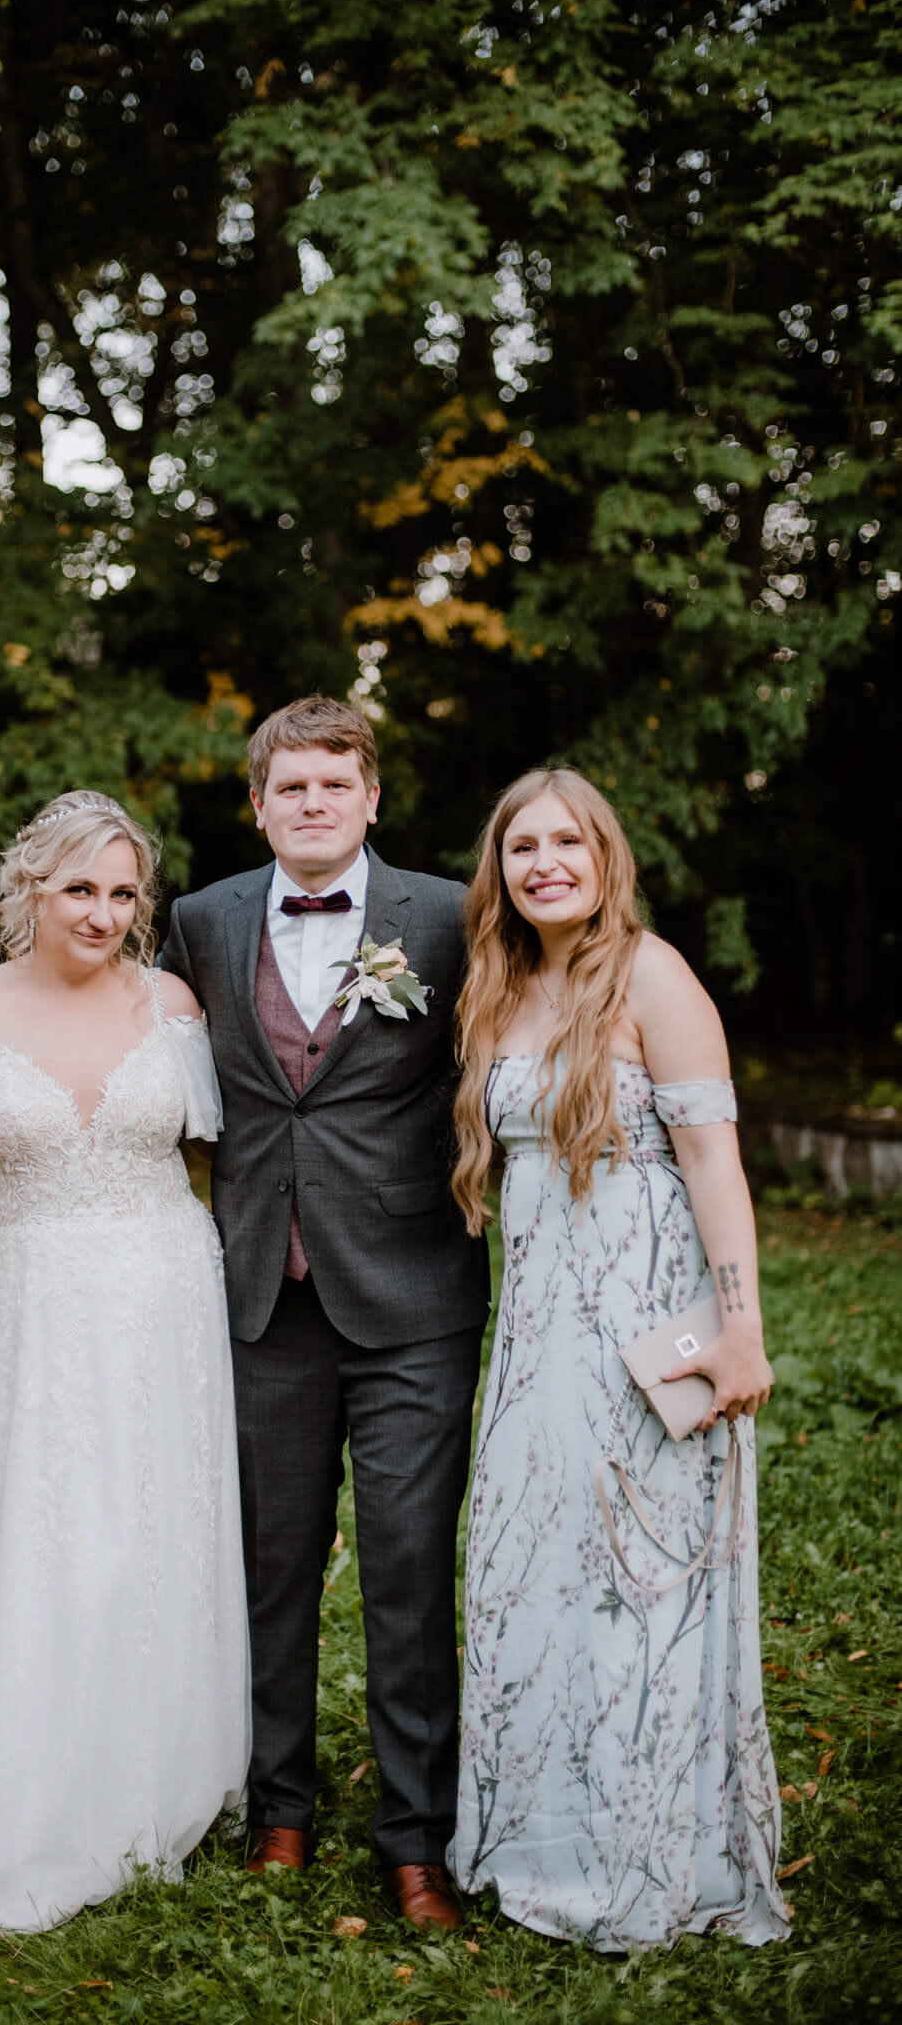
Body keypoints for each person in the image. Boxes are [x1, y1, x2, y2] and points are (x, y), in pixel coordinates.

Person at [0, 791, 248, 1931]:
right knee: (21, 1530)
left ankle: (151, 1779)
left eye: (124, 893)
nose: (102, 912)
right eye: (79, 887)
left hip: (162, 1298)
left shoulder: (171, 1002)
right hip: (20, 1302)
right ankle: (5, 1784)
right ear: (27, 886)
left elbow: (211, 1150)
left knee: (149, 1534)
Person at [161, 696, 490, 1930]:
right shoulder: (200, 921)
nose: (310, 802)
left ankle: (415, 1838)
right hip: (259, 1297)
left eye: (332, 783)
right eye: (288, 786)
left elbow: (504, 1060)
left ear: (370, 797)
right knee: (269, 1568)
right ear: (257, 804)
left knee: (408, 1573)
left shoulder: (448, 916)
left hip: (412, 1296)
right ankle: (279, 1810)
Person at [446, 766, 789, 1951]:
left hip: (642, 1328)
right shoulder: (499, 987)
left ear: (603, 858)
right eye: (521, 846)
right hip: (535, 1335)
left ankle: (649, 1850)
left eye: (565, 843)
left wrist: (737, 1326)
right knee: (532, 1573)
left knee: (638, 1580)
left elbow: (711, 1160)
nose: (543, 863)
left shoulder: (651, 974)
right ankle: (541, 1836)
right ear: (499, 868)